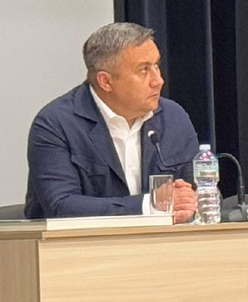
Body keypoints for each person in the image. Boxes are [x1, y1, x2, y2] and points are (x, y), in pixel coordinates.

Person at [25, 22, 199, 223]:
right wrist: (149, 205)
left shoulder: (172, 117)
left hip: (163, 240)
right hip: (84, 242)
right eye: (143, 70)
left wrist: (189, 200)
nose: (158, 80)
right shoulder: (56, 124)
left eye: (156, 66)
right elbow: (61, 205)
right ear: (106, 81)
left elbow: (203, 190)